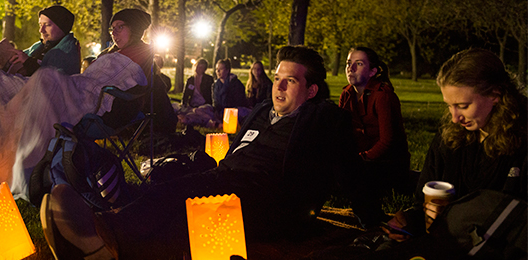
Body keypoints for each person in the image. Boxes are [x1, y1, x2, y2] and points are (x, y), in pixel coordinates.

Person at [40, 46, 384, 259]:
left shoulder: (323, 119)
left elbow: (349, 171)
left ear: (310, 91)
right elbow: (235, 151)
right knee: (173, 188)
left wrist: (372, 220)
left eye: (290, 81)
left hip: (271, 198)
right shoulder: (264, 111)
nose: (278, 86)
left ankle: (103, 230)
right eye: (277, 77)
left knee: (182, 196)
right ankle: (109, 229)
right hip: (230, 178)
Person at [381, 49, 527, 255]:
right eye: (449, 106)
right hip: (444, 243)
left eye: (463, 106)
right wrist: (410, 222)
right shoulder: (450, 137)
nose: (454, 118)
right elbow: (422, 202)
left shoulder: (522, 140)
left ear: (495, 95)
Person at [339, 47, 410, 196]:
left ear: (372, 71)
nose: (350, 68)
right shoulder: (346, 94)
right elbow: (341, 133)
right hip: (359, 158)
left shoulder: (382, 95)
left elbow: (387, 142)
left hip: (386, 161)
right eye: (348, 63)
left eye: (359, 64)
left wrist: (359, 159)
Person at [98, 8, 177, 134]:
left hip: (115, 109)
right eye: (112, 28)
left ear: (134, 30)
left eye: (120, 27)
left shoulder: (140, 54)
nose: (113, 33)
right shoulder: (110, 54)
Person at [10, 5, 81, 76]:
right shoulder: (39, 46)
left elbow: (52, 80)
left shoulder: (67, 52)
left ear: (62, 27)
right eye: (40, 25)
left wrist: (27, 62)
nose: (41, 30)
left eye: (47, 25)